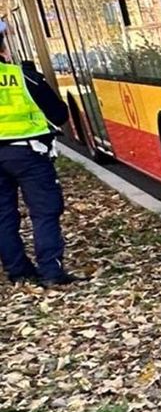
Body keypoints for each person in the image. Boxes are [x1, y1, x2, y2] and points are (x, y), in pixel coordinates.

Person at [0, 21, 77, 286]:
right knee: (45, 211)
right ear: (3, 48)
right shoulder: (24, 76)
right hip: (28, 154)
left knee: (3, 215)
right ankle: (51, 272)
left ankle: (19, 272)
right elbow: (58, 113)